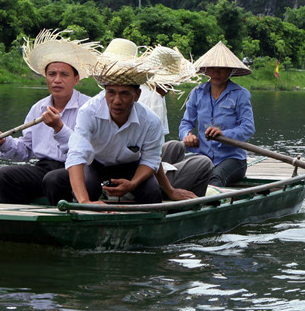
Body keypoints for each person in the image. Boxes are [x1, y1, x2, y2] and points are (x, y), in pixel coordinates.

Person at [0, 30, 99, 204]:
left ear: (76, 79)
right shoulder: (38, 108)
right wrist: (3, 141)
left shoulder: (89, 107)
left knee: (53, 179)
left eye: (64, 75)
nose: (57, 80)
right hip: (44, 168)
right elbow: (25, 150)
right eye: (52, 74)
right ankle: (23, 223)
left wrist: (58, 128)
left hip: (79, 171)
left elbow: (88, 152)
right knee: (3, 176)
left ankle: (62, 224)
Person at [43, 58, 166, 205]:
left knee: (152, 191)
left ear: (137, 96)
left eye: (125, 94)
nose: (116, 101)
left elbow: (150, 159)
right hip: (96, 163)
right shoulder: (89, 111)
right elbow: (76, 155)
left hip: (131, 166)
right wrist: (85, 202)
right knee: (56, 181)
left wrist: (132, 184)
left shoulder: (150, 121)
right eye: (111, 93)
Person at [139, 44, 213, 199]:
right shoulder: (155, 99)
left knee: (175, 146)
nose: (173, 85)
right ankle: (190, 204)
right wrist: (170, 190)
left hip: (138, 165)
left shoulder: (143, 90)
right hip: (141, 177)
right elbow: (151, 157)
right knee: (204, 163)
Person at [179, 41, 256, 188]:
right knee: (180, 175)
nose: (216, 72)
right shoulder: (197, 93)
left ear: (230, 70)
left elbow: (248, 128)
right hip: (202, 156)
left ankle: (210, 206)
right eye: (212, 68)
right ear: (206, 70)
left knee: (215, 177)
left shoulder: (240, 94)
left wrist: (224, 134)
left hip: (232, 158)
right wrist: (187, 135)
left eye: (221, 69)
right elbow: (186, 123)